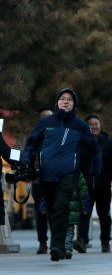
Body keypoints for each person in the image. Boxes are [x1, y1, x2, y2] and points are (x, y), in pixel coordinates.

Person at [22, 88, 102, 262]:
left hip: (68, 174)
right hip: (46, 174)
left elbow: (94, 149)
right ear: (57, 103)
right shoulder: (45, 123)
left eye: (70, 100)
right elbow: (30, 143)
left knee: (61, 206)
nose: (65, 101)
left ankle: (57, 246)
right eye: (62, 99)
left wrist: (96, 169)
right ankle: (57, 243)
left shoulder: (80, 126)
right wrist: (26, 162)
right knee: (51, 209)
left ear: (74, 104)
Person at [77, 114, 112, 253]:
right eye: (91, 124)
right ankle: (82, 240)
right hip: (85, 185)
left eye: (96, 124)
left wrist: (107, 178)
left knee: (104, 214)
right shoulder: (81, 143)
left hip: (103, 185)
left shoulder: (108, 143)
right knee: (84, 213)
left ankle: (105, 241)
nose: (94, 126)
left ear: (100, 125)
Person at [31, 108, 53, 254]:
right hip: (38, 181)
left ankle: (57, 241)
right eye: (43, 117)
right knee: (40, 212)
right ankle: (42, 242)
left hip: (55, 181)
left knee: (56, 212)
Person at [65, 173, 89, 259]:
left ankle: (58, 246)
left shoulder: (55, 170)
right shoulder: (77, 172)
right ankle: (67, 248)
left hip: (59, 206)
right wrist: (85, 207)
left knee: (59, 228)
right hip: (73, 207)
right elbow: (83, 191)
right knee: (70, 230)